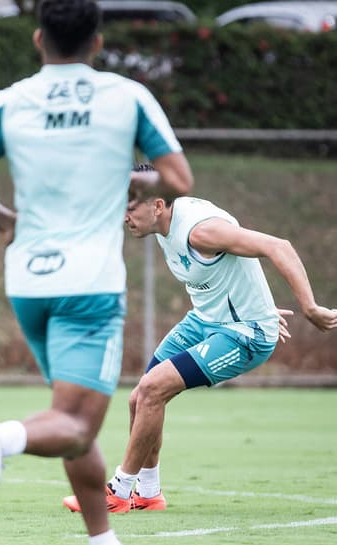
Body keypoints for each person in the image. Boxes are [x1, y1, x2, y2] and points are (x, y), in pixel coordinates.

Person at [0, 0, 193, 545]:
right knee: (77, 427)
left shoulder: (3, 102)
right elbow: (178, 180)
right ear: (99, 43)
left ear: (38, 39)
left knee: (69, 418)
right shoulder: (127, 97)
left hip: (29, 281)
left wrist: (5, 219)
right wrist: (127, 176)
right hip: (90, 284)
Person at [62, 165, 337, 514]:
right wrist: (264, 305)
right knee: (140, 397)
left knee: (151, 390)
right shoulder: (162, 222)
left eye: (129, 207)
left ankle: (118, 492)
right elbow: (234, 270)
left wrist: (308, 307)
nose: (124, 217)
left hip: (243, 334)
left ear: (157, 205)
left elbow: (277, 246)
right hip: (205, 321)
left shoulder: (200, 232)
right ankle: (148, 494)